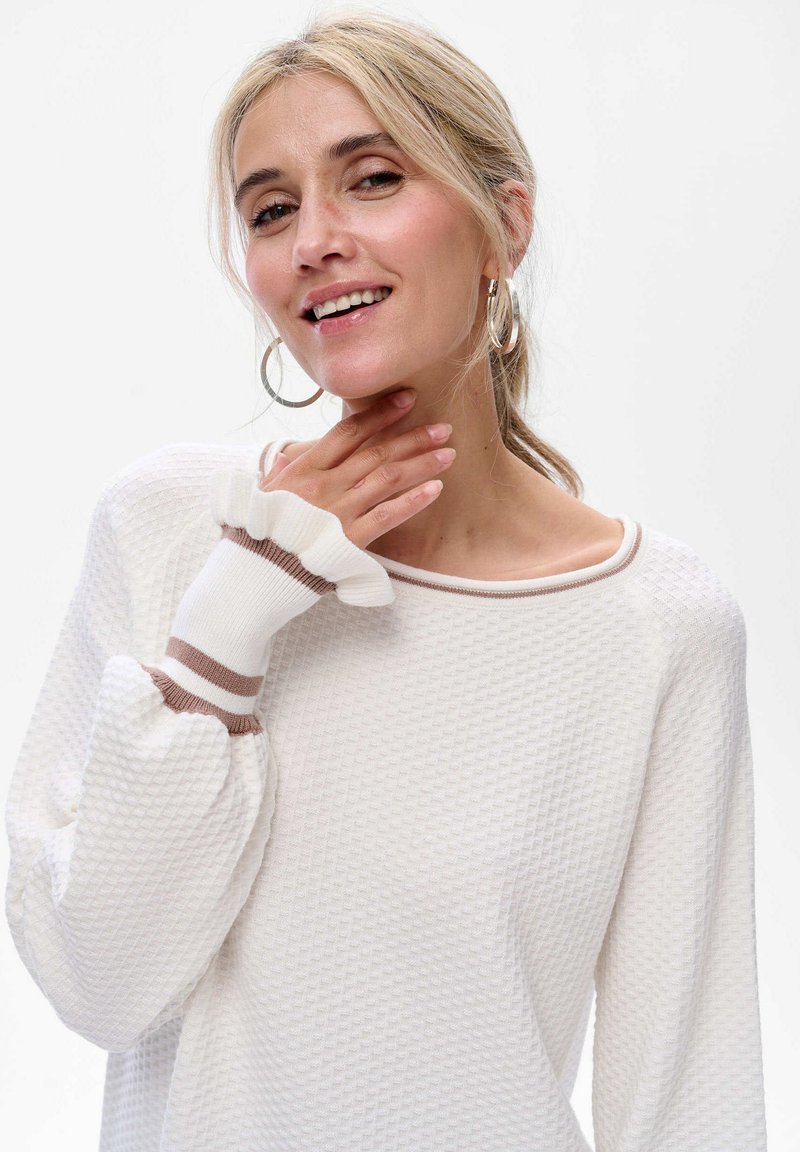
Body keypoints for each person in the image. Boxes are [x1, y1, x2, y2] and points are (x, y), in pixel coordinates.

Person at [4, 10, 768, 1152]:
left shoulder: (657, 627)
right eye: (271, 210)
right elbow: (96, 985)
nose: (313, 241)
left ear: (504, 226)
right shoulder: (167, 529)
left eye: (371, 179)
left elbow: (688, 1096)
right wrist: (234, 616)